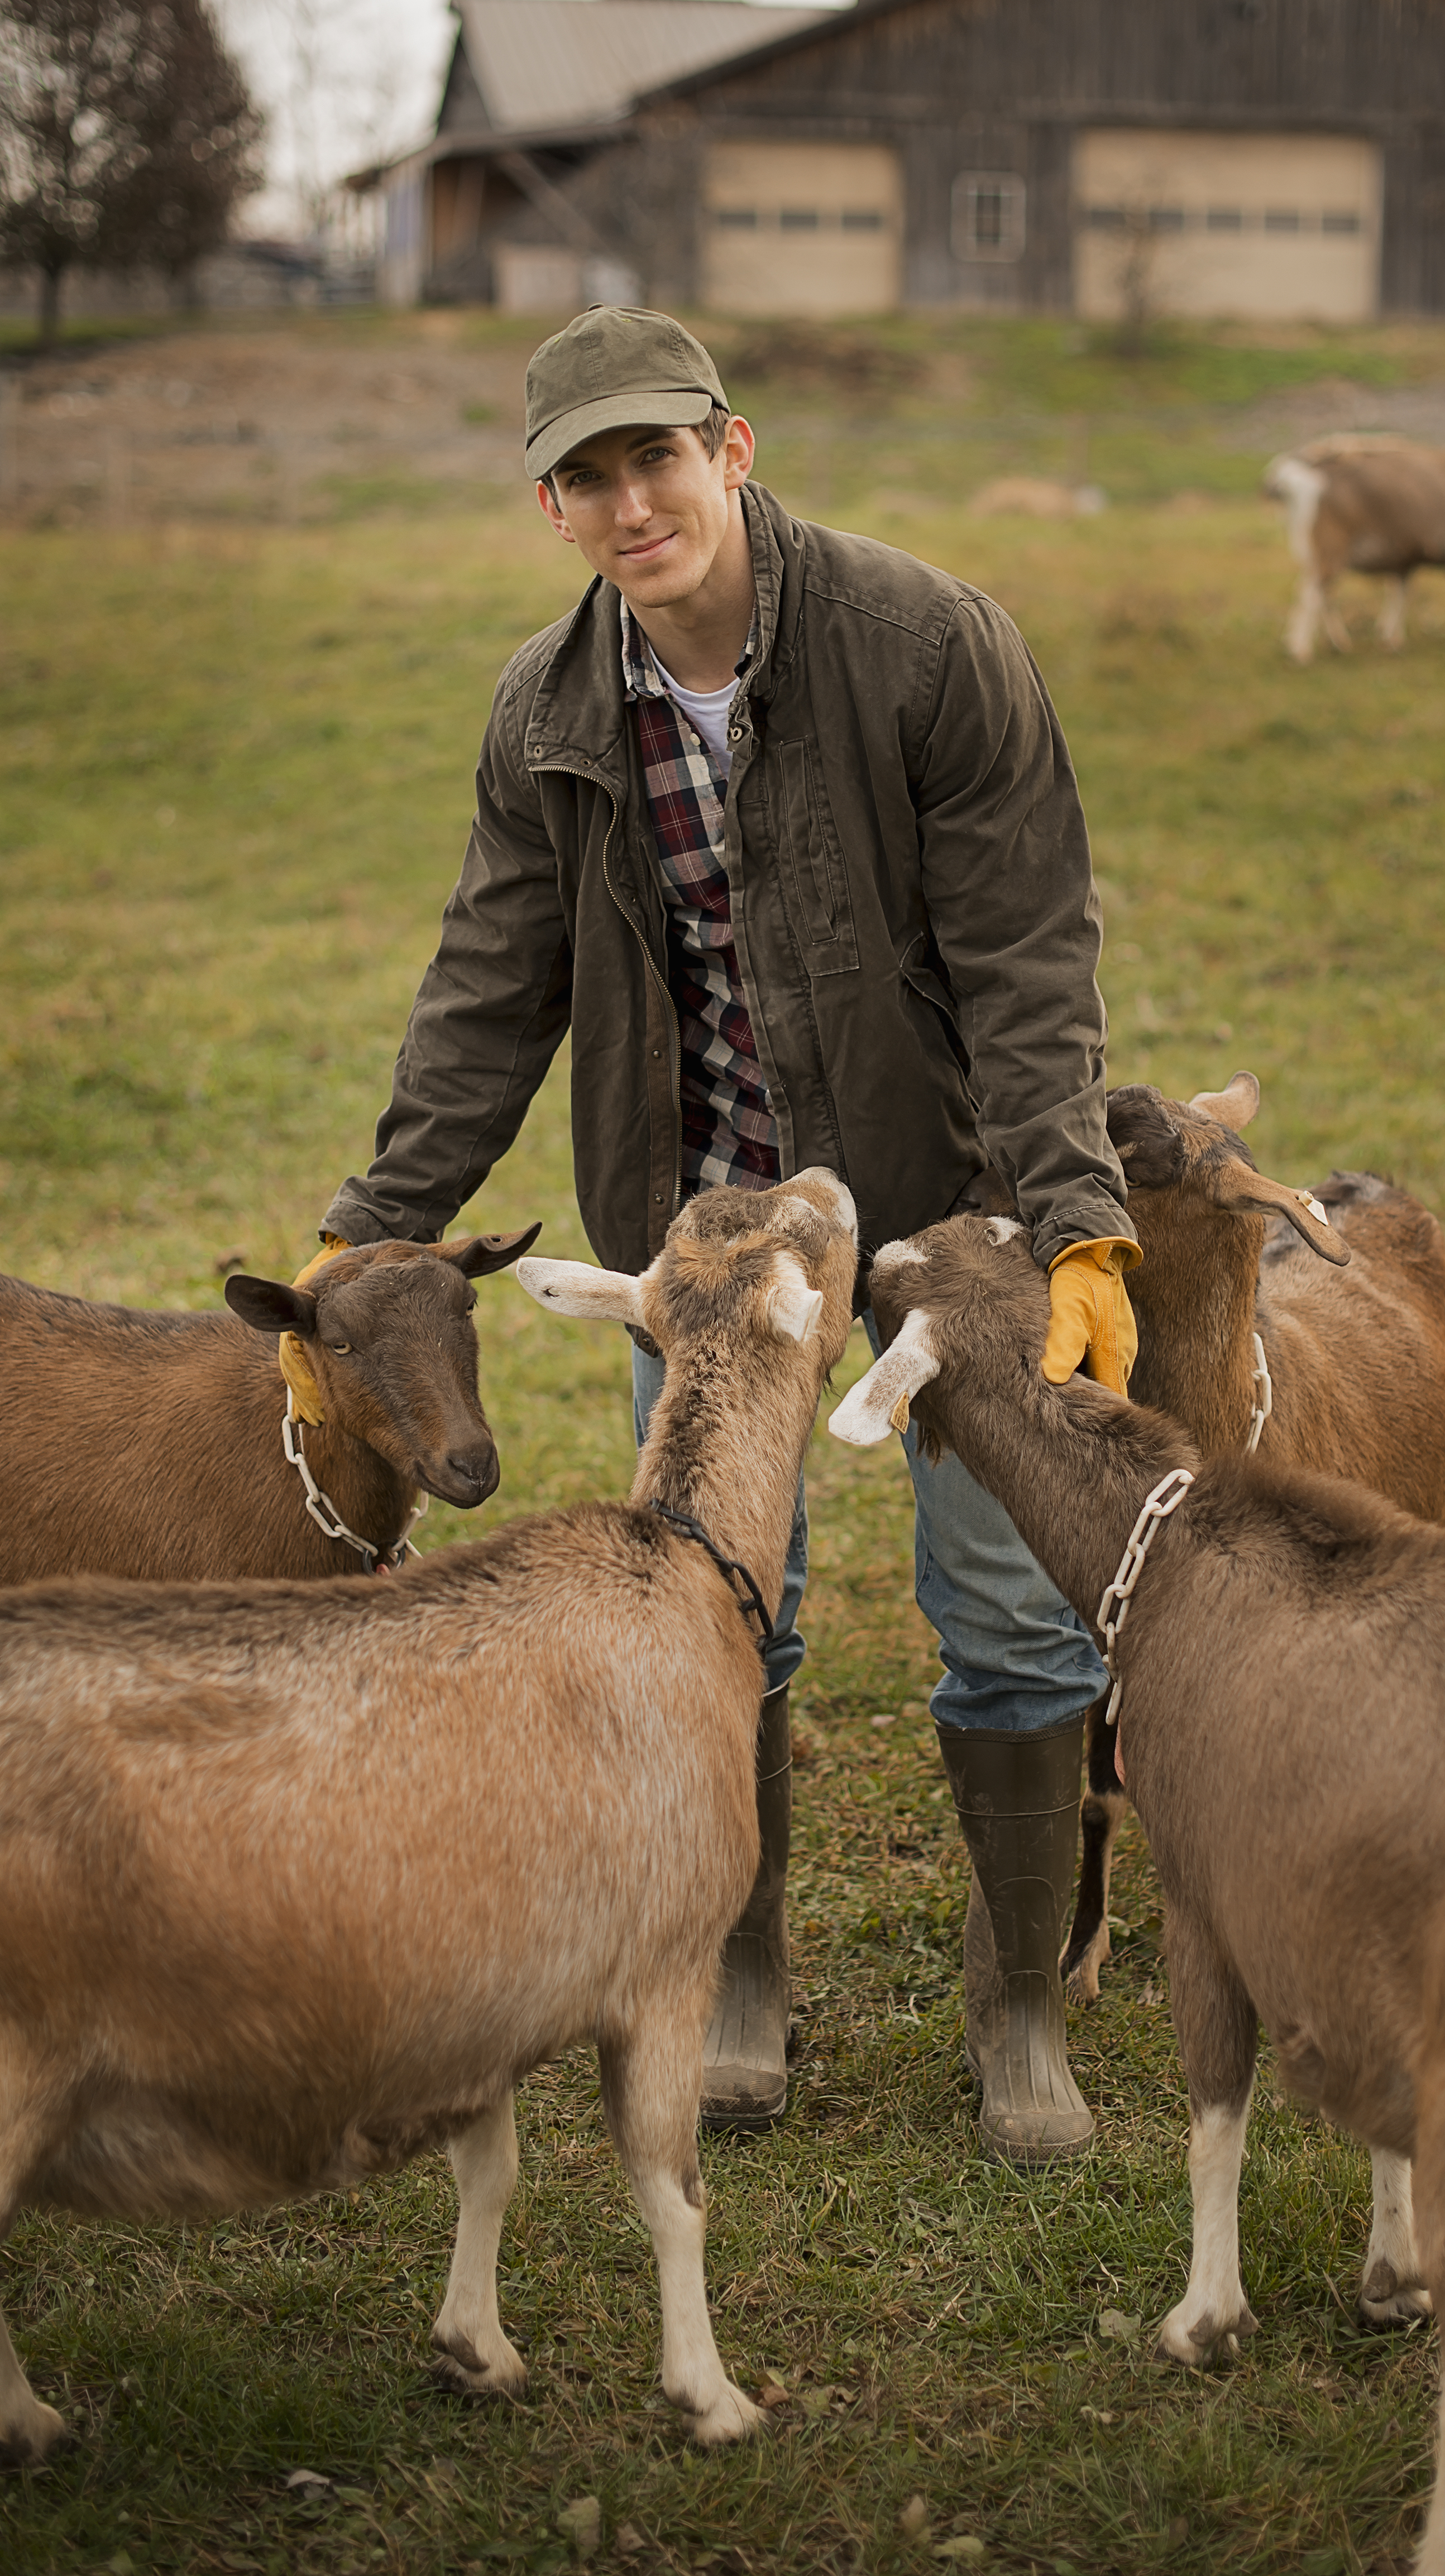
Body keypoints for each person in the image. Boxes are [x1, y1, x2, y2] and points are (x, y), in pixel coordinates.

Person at [316, 306, 1138, 2163]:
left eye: (656, 458)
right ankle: (738, 1970)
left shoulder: (929, 646)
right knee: (705, 1613)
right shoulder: (547, 711)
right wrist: (370, 1232)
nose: (631, 502)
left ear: (733, 449)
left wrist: (1072, 1225)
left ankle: (1020, 2010)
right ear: (551, 503)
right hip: (703, 1217)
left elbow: (1026, 957)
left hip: (947, 1196)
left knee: (1007, 1605)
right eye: (587, 476)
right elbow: (486, 987)